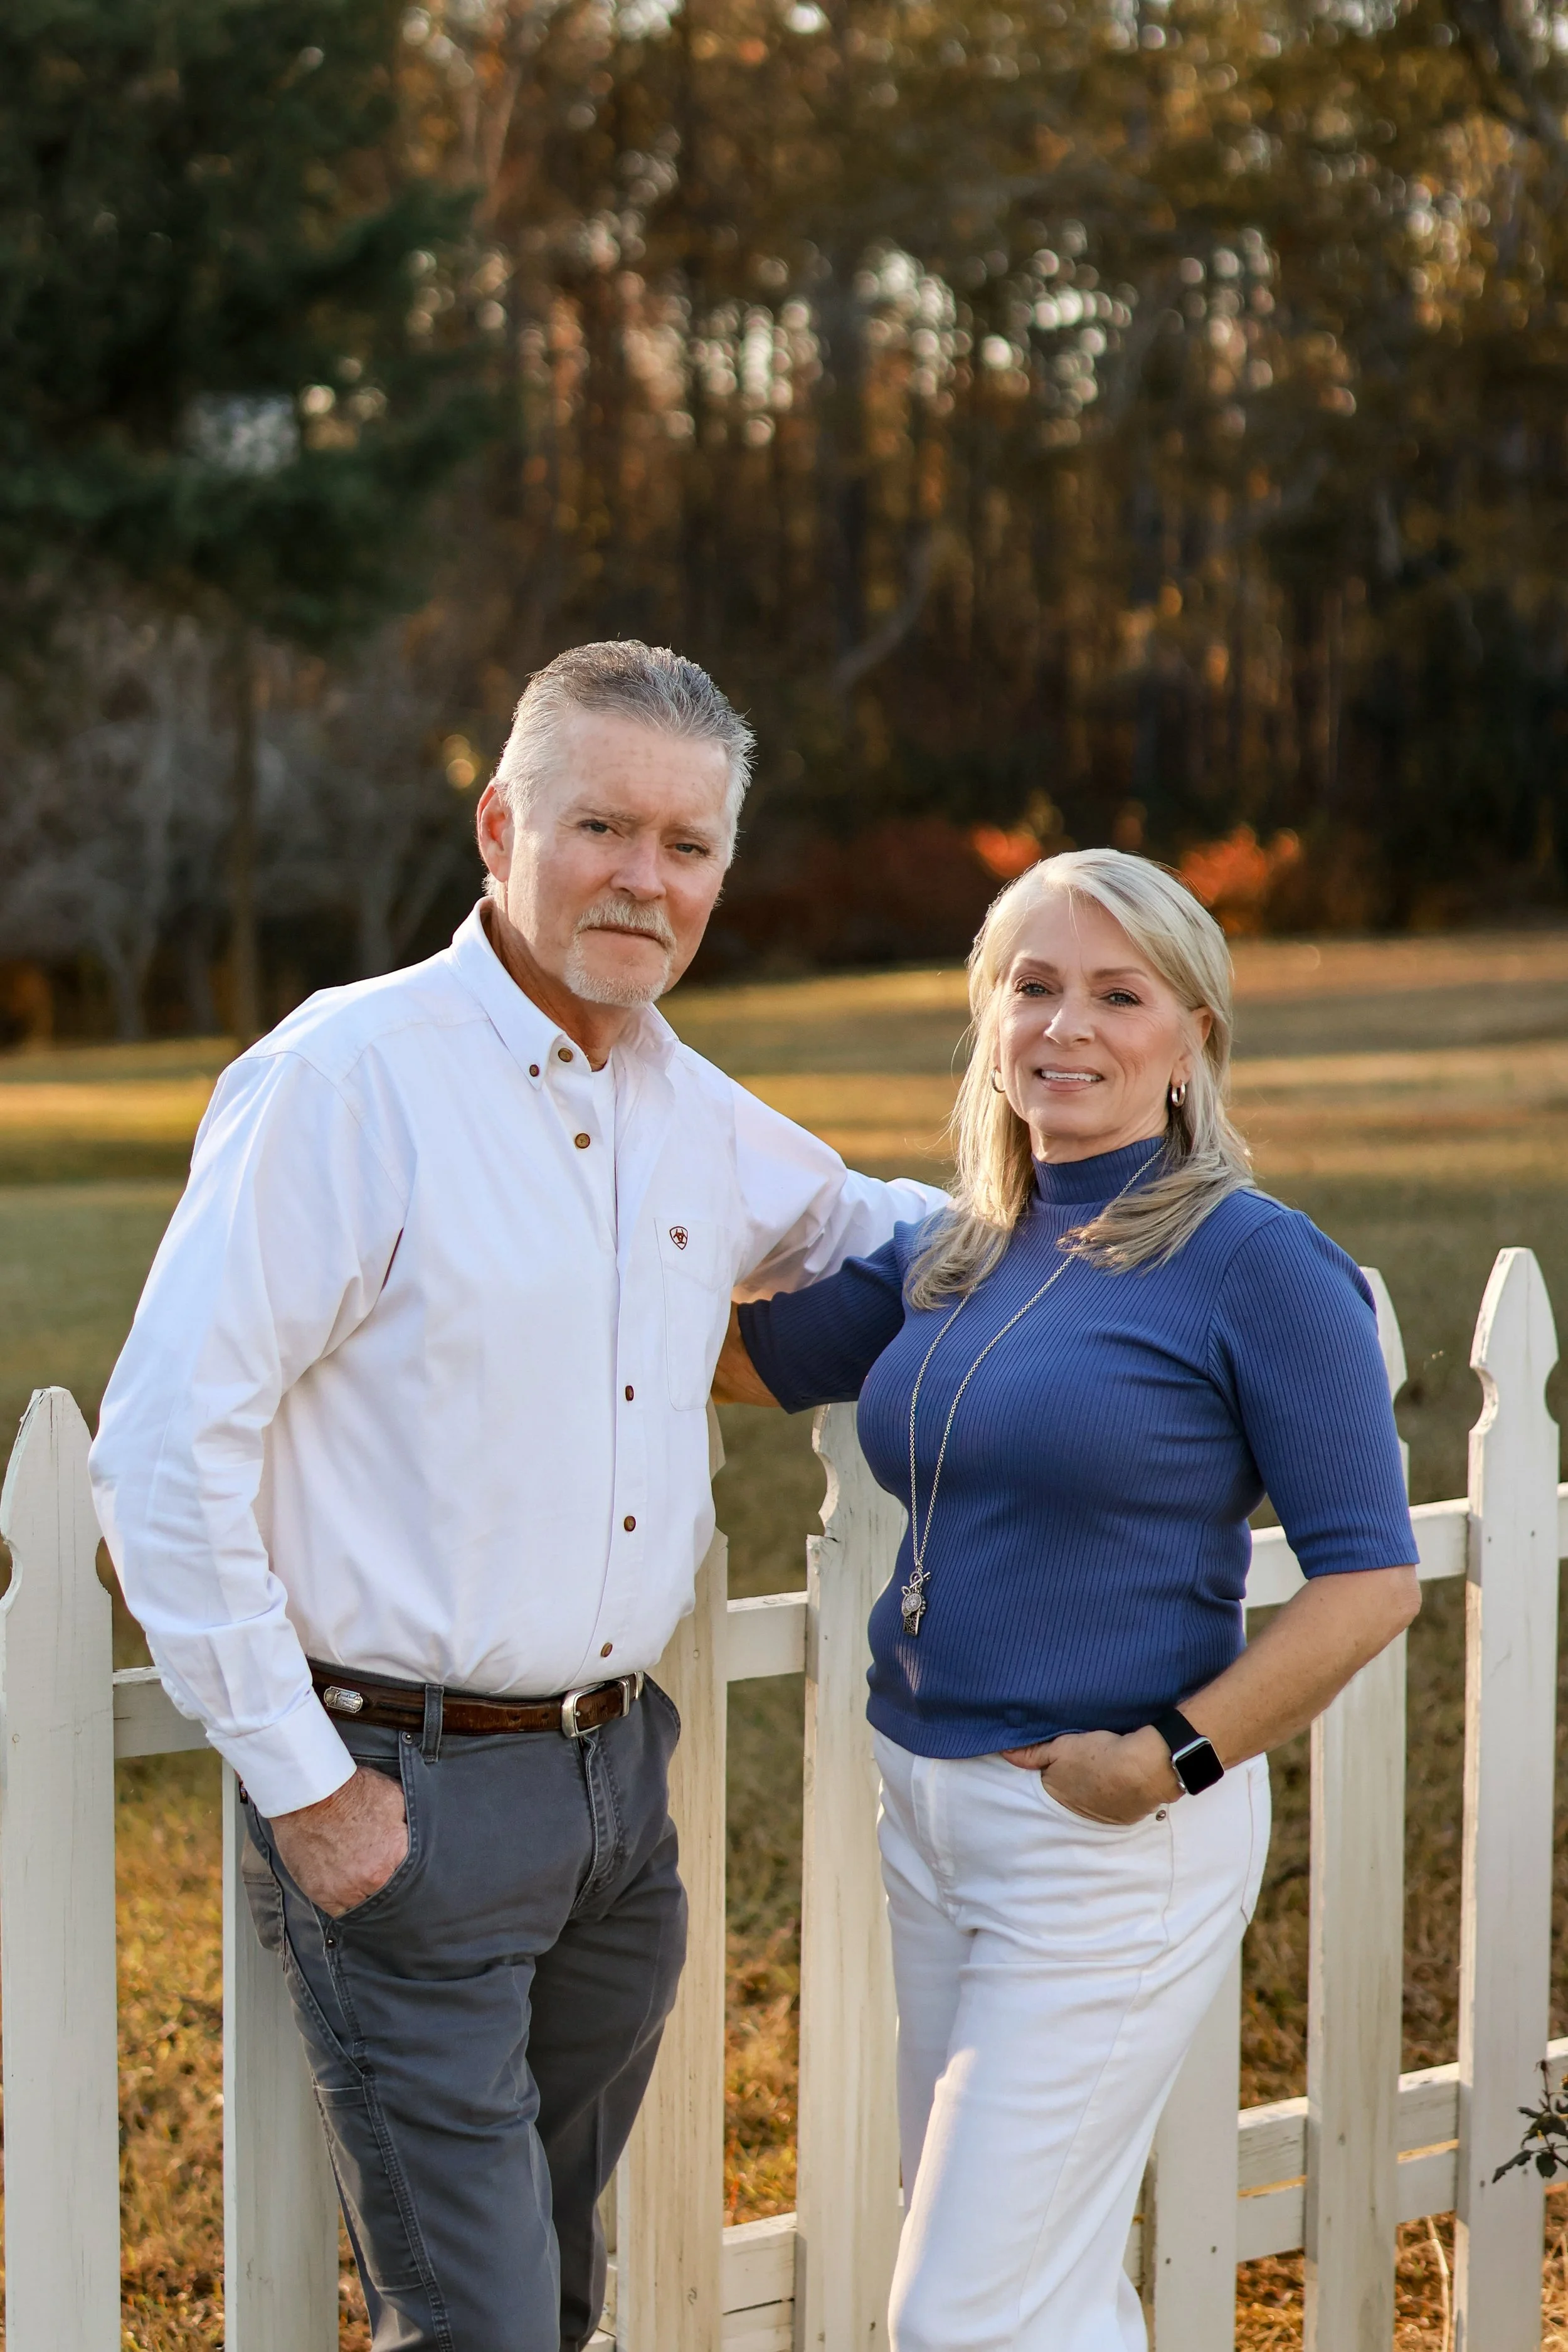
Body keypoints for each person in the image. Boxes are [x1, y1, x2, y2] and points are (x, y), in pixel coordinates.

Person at [89, 641, 944, 2352]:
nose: (644, 876)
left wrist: (1161, 1257)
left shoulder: (677, 1099)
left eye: (686, 844)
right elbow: (159, 1450)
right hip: (403, 1786)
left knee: (549, 2292)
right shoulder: (350, 1079)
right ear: (501, 825)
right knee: (478, 2314)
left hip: (617, 1798)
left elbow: (881, 1230)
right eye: (600, 825)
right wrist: (308, 1786)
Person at [717, 847, 1420, 2352]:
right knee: (1033, 2291)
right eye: (1031, 987)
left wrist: (1162, 1755)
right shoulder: (951, 1248)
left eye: (1117, 993)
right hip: (926, 1819)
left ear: (1190, 1040)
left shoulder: (1253, 1264)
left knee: (960, 2312)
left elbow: (1369, 1581)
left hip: (1106, 1842)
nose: (1066, 1027)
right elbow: (724, 1360)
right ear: (986, 1019)